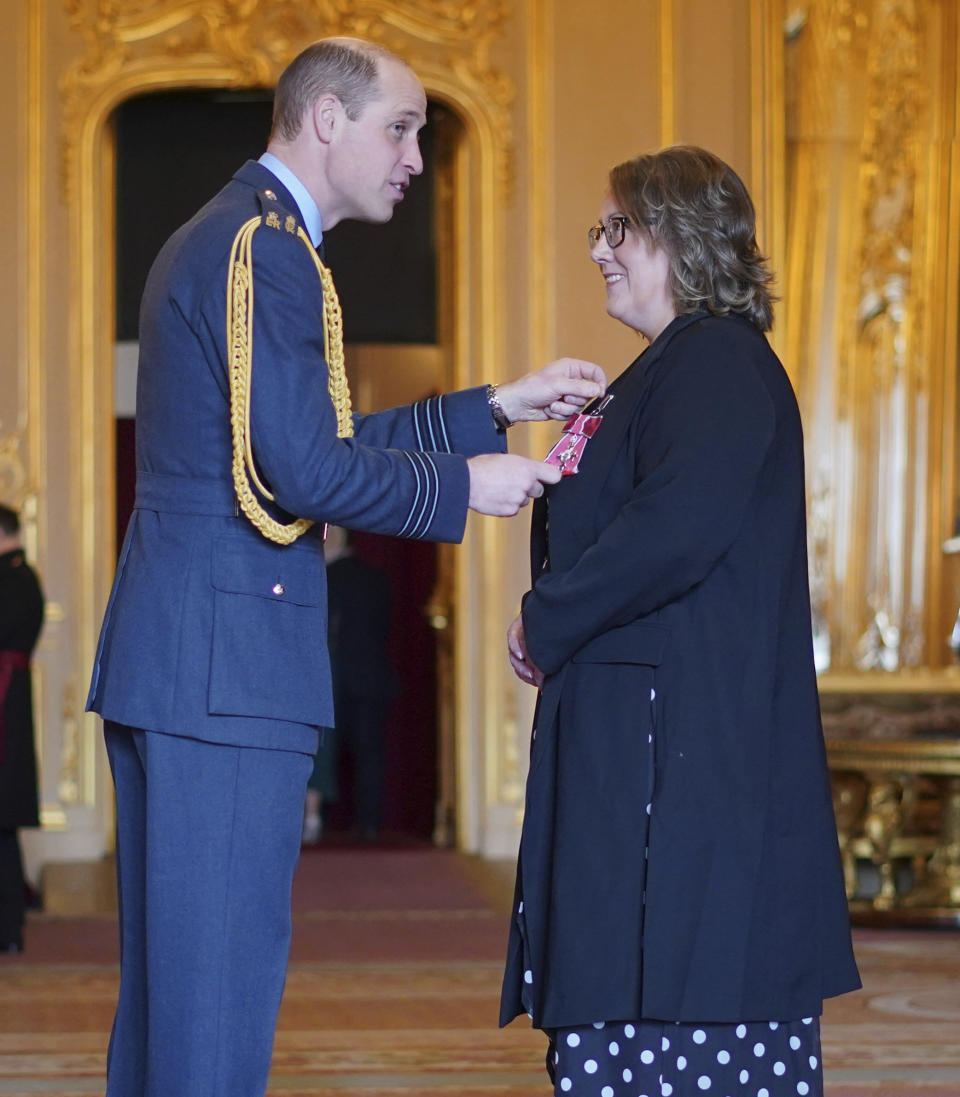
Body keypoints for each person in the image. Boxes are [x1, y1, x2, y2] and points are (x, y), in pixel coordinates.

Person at [85, 36, 606, 1097]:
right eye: (400, 128)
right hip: (227, 669)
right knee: (213, 1007)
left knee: (178, 1002)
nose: (415, 155)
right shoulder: (269, 249)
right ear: (327, 120)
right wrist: (466, 486)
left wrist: (492, 408)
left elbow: (311, 434)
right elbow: (303, 465)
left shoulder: (235, 232)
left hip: (188, 654)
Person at [501, 146, 860, 1097]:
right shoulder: (671, 368)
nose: (601, 251)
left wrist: (549, 617)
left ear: (682, 236)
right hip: (653, 750)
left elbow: (674, 530)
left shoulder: (716, 363)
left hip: (684, 760)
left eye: (618, 229)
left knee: (684, 1013)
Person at [302, 525, 395, 843]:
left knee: (322, 749)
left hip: (333, 677)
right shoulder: (377, 579)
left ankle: (318, 821)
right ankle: (370, 824)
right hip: (370, 677)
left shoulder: (325, 577)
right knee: (369, 753)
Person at [0, 503, 45, 954]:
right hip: (7, 708)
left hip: (4, 714)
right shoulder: (16, 575)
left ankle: (8, 929)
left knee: (3, 827)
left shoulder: (15, 577)